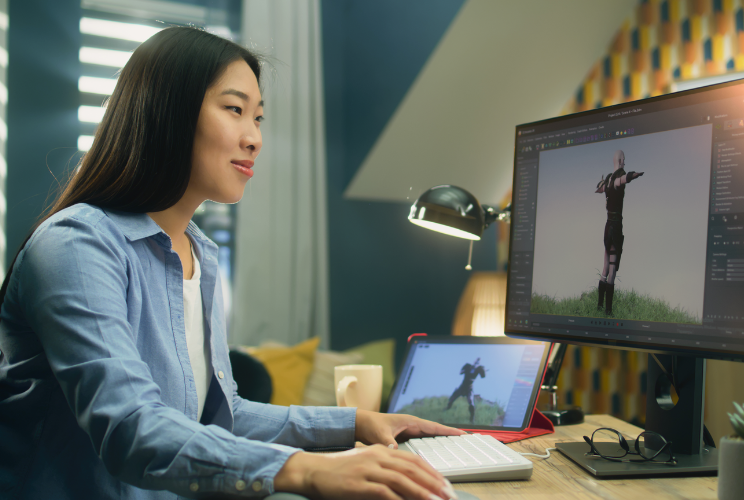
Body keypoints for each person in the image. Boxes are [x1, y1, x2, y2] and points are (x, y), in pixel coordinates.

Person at [0, 27, 463, 500]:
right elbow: (130, 428)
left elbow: (221, 414)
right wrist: (305, 470)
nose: (255, 138)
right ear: (168, 113)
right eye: (235, 109)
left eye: (258, 118)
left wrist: (357, 423)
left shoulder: (197, 251)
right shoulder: (77, 245)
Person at [594, 150, 644, 316]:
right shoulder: (615, 178)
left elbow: (600, 190)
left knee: (605, 268)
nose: (624, 163)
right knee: (612, 271)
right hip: (615, 227)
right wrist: (634, 175)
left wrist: (602, 183)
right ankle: (607, 311)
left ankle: (599, 306)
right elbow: (623, 180)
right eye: (624, 160)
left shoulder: (608, 179)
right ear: (620, 160)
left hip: (607, 226)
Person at [445, 358, 486, 424]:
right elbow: (461, 372)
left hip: (469, 388)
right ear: (474, 361)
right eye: (476, 361)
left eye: (478, 362)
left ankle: (472, 418)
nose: (476, 363)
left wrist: (483, 370)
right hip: (463, 386)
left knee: (471, 401)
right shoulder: (467, 366)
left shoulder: (479, 369)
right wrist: (466, 370)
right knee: (453, 398)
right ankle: (447, 408)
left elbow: (483, 376)